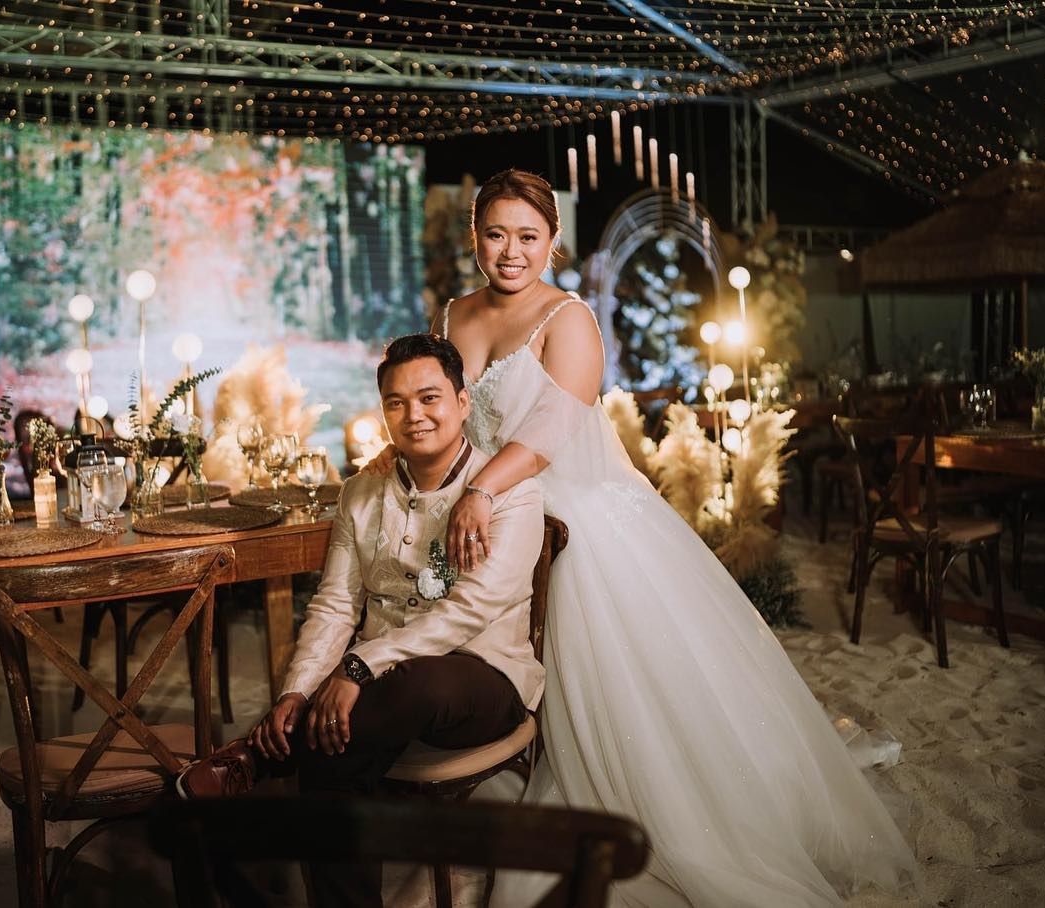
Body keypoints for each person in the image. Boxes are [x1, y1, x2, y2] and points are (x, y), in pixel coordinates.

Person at [373, 169, 919, 907]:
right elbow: (445, 413)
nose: (511, 251)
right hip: (481, 510)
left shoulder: (569, 319)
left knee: (607, 672)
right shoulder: (454, 313)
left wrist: (478, 490)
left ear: (552, 241)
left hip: (571, 514)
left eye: (528, 237)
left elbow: (549, 433)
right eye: (496, 234)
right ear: (475, 236)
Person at [177, 333, 546, 908]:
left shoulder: (511, 493)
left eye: (429, 398)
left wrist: (357, 666)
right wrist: (295, 692)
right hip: (377, 692)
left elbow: (473, 609)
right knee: (333, 750)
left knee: (413, 683)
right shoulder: (360, 493)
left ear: (463, 401)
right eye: (396, 403)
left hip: (481, 677)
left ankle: (257, 757)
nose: (414, 415)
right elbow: (335, 605)